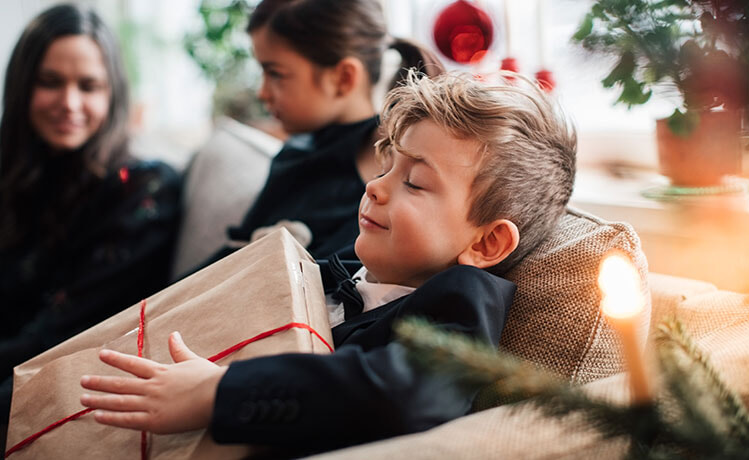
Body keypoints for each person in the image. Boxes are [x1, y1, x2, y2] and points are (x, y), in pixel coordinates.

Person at [80, 71, 577, 456]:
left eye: (415, 183)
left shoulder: (463, 299)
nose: (375, 186)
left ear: (487, 244)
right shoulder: (336, 266)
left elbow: (407, 395)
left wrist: (221, 392)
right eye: (387, 166)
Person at [0, 3, 181, 437]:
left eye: (89, 85)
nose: (69, 103)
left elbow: (61, 337)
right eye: (50, 82)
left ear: (112, 94)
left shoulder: (146, 190)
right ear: (22, 88)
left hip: (52, 399)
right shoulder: (14, 182)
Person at [203, 0, 444, 264]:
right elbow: (238, 252)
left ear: (343, 78)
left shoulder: (382, 180)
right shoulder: (296, 153)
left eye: (275, 74)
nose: (262, 92)